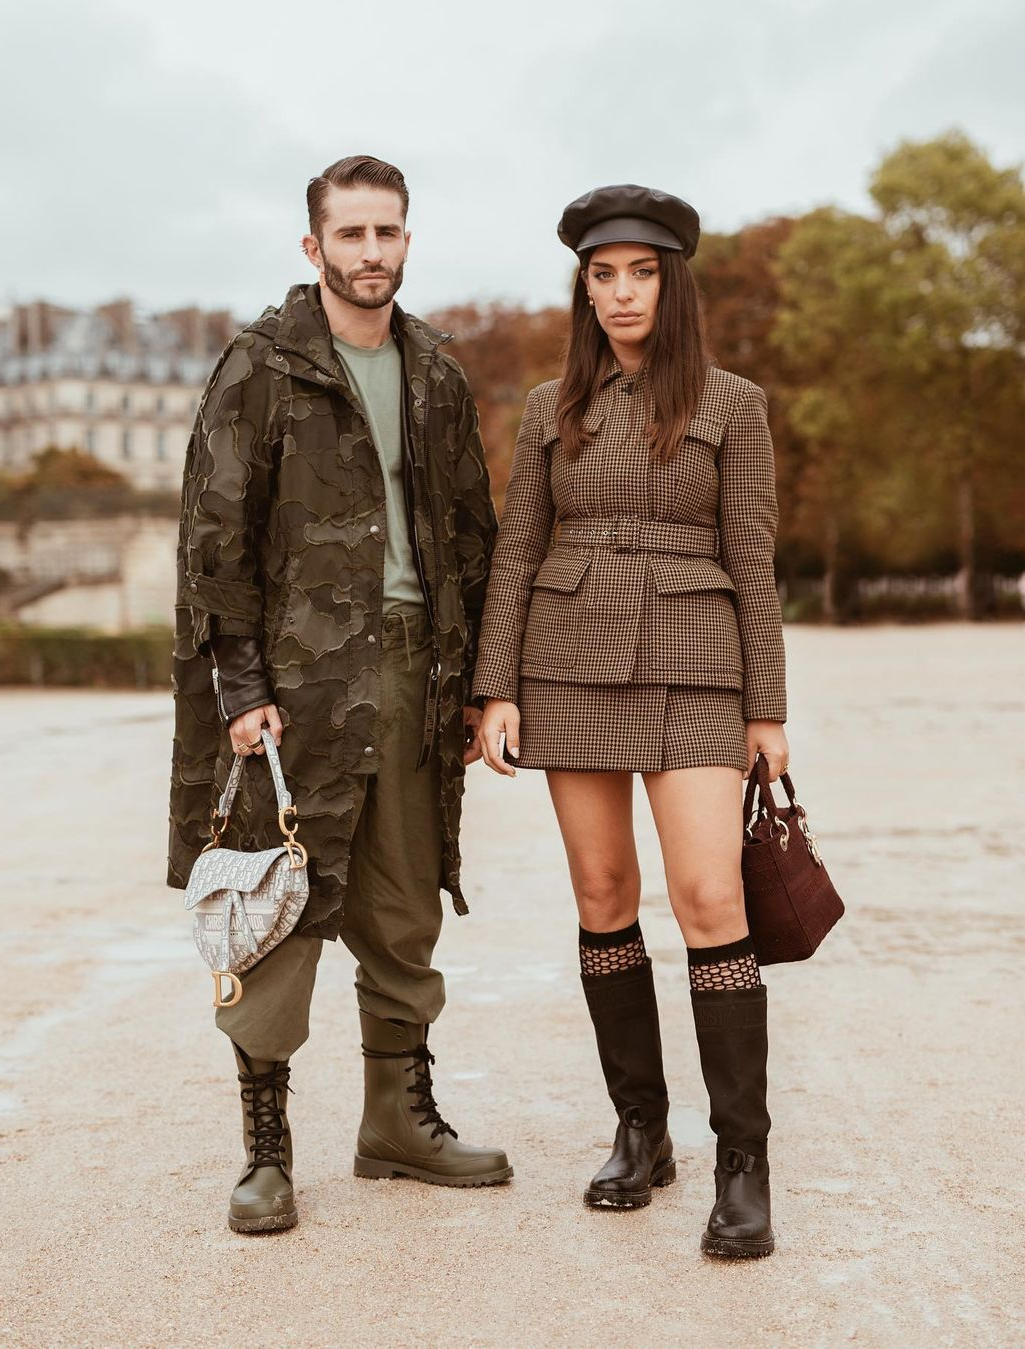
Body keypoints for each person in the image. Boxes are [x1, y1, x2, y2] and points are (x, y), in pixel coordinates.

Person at [167, 155, 512, 1234]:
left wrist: (476, 684)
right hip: (297, 685)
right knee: (281, 908)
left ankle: (396, 1125)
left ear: (409, 241)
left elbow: (471, 538)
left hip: (415, 670)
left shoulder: (439, 374)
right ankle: (265, 1150)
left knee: (404, 907)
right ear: (313, 246)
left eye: (389, 233)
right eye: (352, 234)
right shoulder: (261, 366)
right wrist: (243, 686)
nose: (373, 253)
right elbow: (213, 539)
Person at [472, 184, 789, 1258]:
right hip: (567, 663)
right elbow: (518, 550)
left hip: (699, 665)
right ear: (584, 286)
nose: (619, 292)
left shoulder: (734, 404)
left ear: (673, 281)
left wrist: (768, 708)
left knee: (709, 896)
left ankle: (742, 1160)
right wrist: (496, 687)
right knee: (604, 894)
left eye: (640, 271)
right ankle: (640, 1127)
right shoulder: (551, 402)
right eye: (602, 273)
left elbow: (754, 558)